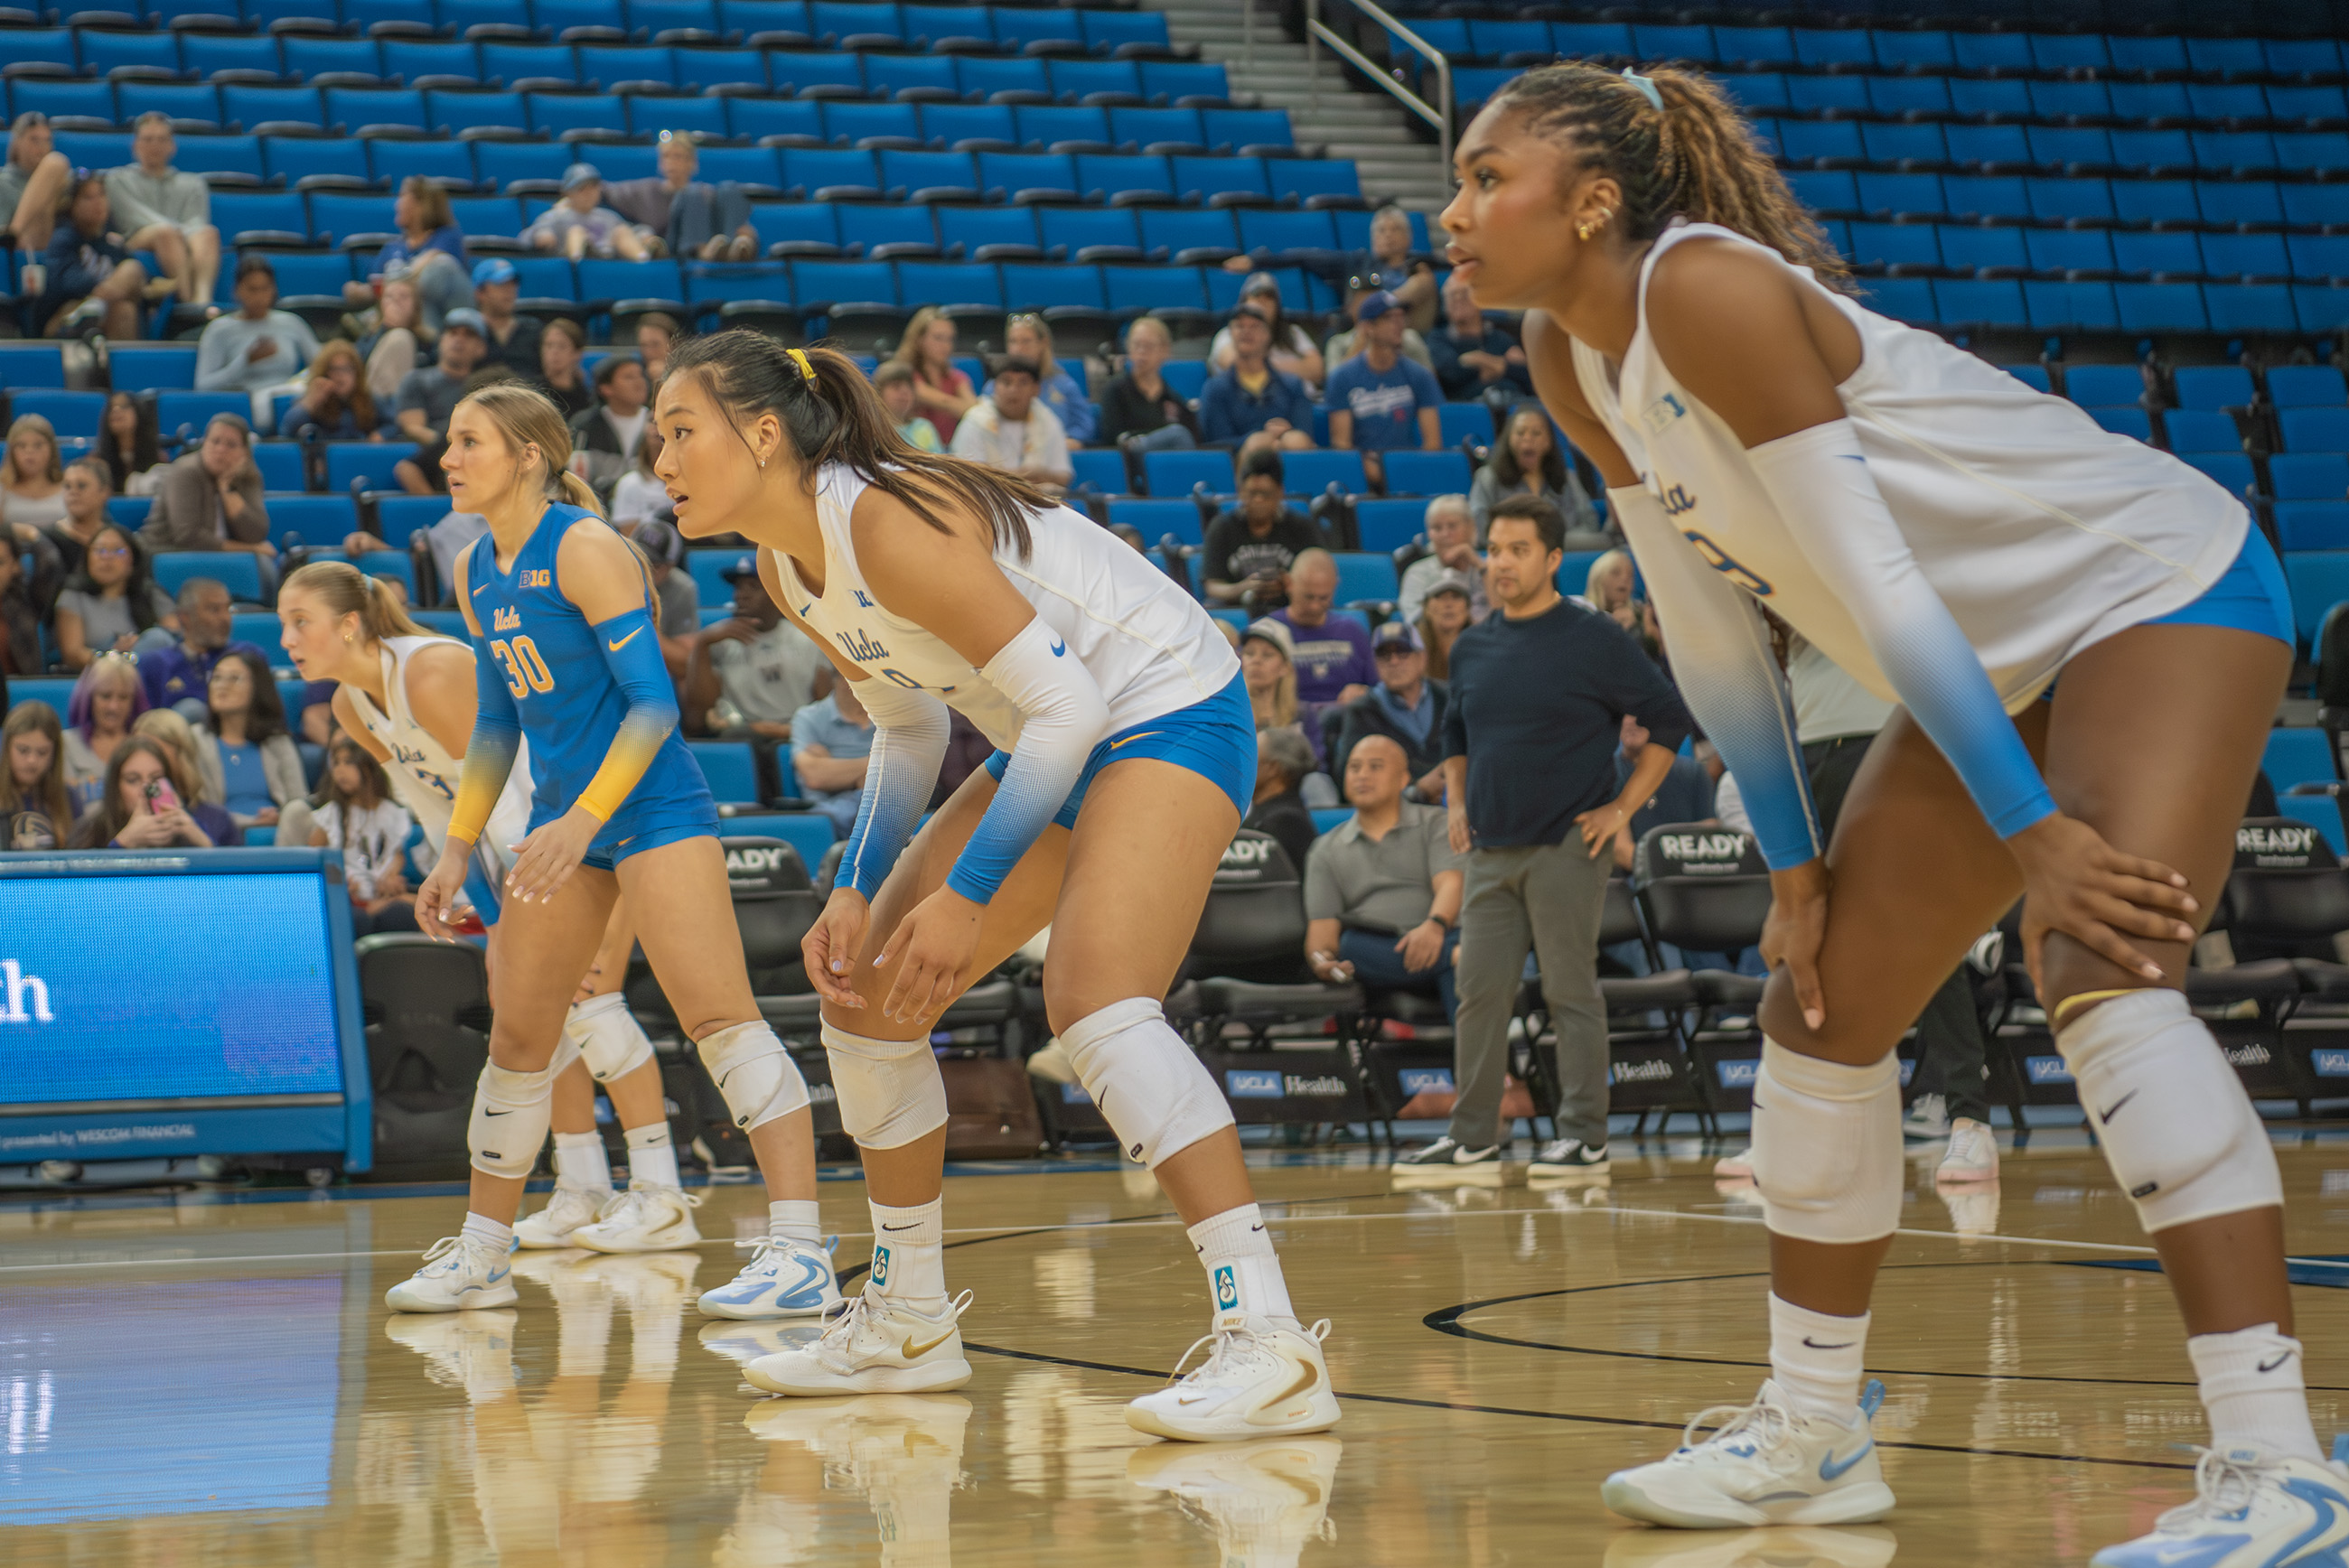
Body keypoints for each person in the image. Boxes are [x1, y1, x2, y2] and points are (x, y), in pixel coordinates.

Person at [1458, 62, 2335, 1553]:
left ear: (1593, 201)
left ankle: (2285, 1475)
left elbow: (1879, 587)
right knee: (1821, 1009)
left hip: (2152, 587)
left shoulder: (1710, 293)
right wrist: (1793, 869)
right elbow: (1711, 628)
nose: (1453, 212)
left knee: (2099, 973)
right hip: (1995, 654)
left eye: (1487, 179)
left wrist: (2036, 832)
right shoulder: (1569, 357)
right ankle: (1812, 1436)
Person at [652, 331, 1341, 1437]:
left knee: (1096, 1001)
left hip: (1167, 706)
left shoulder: (880, 517)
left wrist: (966, 893)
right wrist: (854, 881)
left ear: (764, 433)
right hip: (1053, 735)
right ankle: (908, 1319)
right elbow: (908, 722)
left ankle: (1271, 1340)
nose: (662, 461)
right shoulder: (788, 566)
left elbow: (1071, 709)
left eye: (681, 431)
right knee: (868, 999)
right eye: (657, 440)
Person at [383, 382, 838, 1323]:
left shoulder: (587, 548)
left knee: (720, 1019)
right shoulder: (475, 571)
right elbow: (497, 721)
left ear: (529, 455)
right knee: (518, 1036)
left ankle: (798, 1251)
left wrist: (583, 818)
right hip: (563, 826)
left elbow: (654, 705)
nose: (448, 457)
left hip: (650, 812)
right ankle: (480, 1256)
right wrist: (454, 847)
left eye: (468, 440)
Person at [1410, 490, 1692, 1177]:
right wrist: (1455, 796)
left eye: (1517, 550)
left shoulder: (1593, 637)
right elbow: (1456, 732)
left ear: (1554, 558)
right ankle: (1474, 1134)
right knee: (1479, 991)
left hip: (1569, 844)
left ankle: (1585, 1136)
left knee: (1570, 990)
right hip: (1489, 851)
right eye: (1494, 550)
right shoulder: (1472, 645)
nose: (1500, 563)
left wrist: (1622, 809)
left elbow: (1670, 718)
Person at [1306, 733, 1463, 1016]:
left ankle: (1475, 1058)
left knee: (1468, 944)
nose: (1362, 775)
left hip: (1442, 933)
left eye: (1375, 767)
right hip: (1381, 953)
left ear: (1404, 779)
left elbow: (1451, 883)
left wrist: (1434, 927)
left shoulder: (1435, 824)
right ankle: (1454, 958)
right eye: (1354, 768)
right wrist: (1323, 962)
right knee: (1351, 945)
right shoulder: (1325, 849)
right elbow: (1322, 935)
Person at [684, 555, 831, 801]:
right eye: (738, 588)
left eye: (753, 587)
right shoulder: (720, 644)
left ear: (776, 591)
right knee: (735, 741)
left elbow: (827, 712)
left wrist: (784, 729)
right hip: (744, 734)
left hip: (799, 733)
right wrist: (702, 644)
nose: (741, 595)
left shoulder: (808, 640)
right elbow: (696, 720)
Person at [140, 413, 276, 588]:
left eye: (231, 445)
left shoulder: (248, 477)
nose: (220, 450)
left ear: (244, 452)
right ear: (204, 443)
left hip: (219, 557)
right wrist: (250, 549)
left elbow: (256, 534)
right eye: (215, 441)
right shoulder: (185, 471)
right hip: (171, 554)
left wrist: (227, 489)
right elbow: (188, 537)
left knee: (266, 568)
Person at [1325, 292, 1444, 491]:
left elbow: (1433, 441)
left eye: (1400, 317)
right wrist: (1369, 470)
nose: (1398, 324)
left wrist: (1407, 470)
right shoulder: (1342, 377)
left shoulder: (1418, 375)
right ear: (1367, 328)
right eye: (1388, 318)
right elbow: (1341, 443)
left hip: (1408, 469)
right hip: (1362, 475)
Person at [105, 113, 220, 311]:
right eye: (148, 139)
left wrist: (179, 233)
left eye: (161, 139)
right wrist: (177, 231)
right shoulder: (117, 179)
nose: (154, 145)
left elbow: (196, 221)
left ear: (172, 146)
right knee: (165, 232)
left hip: (180, 236)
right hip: (134, 239)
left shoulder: (193, 183)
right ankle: (186, 304)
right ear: (135, 145)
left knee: (208, 233)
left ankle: (202, 302)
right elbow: (134, 218)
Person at [310, 734, 417, 934]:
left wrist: (392, 875)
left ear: (369, 767)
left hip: (383, 897)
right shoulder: (331, 814)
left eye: (348, 763)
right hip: (347, 898)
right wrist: (337, 882)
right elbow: (315, 861)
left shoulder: (393, 813)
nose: (340, 770)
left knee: (400, 914)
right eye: (336, 763)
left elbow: (396, 854)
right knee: (354, 919)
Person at [603, 128, 758, 264]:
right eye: (666, 157)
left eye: (678, 157)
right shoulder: (646, 190)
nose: (671, 163)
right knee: (692, 193)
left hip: (717, 241)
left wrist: (745, 230)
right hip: (674, 249)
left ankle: (737, 249)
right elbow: (606, 190)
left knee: (728, 187)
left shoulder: (707, 192)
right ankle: (703, 251)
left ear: (692, 162)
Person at [1330, 619, 1449, 793]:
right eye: (1384, 655)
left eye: (1402, 653)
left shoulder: (1449, 698)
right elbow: (1348, 778)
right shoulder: (1362, 711)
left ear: (1422, 658)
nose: (1393, 662)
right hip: (1395, 804)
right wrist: (1417, 791)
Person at [194, 255, 319, 422]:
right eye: (252, 289)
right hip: (247, 406)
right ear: (237, 290)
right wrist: (245, 362)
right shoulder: (219, 330)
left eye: (265, 289)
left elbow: (321, 362)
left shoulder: (291, 322)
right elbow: (203, 386)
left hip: (291, 399)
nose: (260, 296)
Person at [1201, 449, 1324, 609]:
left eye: (1265, 494)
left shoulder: (1301, 527)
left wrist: (1288, 583)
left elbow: (1319, 576)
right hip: (1239, 609)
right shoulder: (1222, 527)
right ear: (1241, 492)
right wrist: (1243, 587)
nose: (1258, 500)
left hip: (1289, 609)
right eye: (1252, 493)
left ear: (1280, 492)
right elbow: (1212, 586)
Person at [195, 648, 304, 828]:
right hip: (222, 838)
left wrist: (279, 818)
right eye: (217, 677)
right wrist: (252, 822)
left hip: (279, 834)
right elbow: (201, 812)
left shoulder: (277, 742)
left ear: (257, 687)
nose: (222, 685)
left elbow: (299, 804)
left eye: (234, 678)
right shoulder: (196, 740)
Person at [345, 177, 470, 332]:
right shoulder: (392, 247)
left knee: (425, 283)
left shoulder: (447, 236)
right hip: (394, 320)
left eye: (402, 196)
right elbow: (377, 287)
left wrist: (396, 282)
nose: (397, 204)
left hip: (439, 317)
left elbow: (435, 268)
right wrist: (357, 291)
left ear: (420, 204)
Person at [69, 733, 232, 848]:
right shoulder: (88, 831)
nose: (146, 790)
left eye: (155, 779)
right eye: (133, 780)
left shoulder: (191, 829)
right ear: (115, 787)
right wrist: (123, 843)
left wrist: (199, 838)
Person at [38, 174, 147, 340]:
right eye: (88, 197)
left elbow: (141, 285)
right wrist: (103, 288)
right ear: (72, 204)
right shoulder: (63, 239)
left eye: (102, 195)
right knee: (130, 272)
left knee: (125, 307)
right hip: (64, 318)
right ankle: (93, 307)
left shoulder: (114, 245)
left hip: (106, 316)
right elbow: (64, 282)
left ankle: (95, 307)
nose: (98, 202)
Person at [55, 522, 175, 671]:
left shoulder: (150, 592)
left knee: (157, 639)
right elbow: (73, 654)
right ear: (87, 557)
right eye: (99, 550)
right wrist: (113, 657)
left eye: (118, 551)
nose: (107, 557)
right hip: (99, 675)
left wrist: (139, 644)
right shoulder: (73, 596)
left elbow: (173, 637)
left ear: (133, 560)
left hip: (149, 673)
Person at [1198, 304, 1316, 456]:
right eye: (1239, 326)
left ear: (1268, 335)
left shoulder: (1292, 385)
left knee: (1296, 441)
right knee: (1258, 444)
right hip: (1239, 464)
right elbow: (1217, 443)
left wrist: (1283, 434)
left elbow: (1305, 433)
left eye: (1254, 326)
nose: (1246, 331)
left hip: (1286, 455)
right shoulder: (1215, 389)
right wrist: (1263, 436)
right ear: (1230, 335)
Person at [1472, 402, 1600, 539]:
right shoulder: (1488, 477)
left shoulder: (1567, 478)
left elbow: (1590, 523)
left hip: (1564, 554)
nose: (1528, 438)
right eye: (1520, 433)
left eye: (1536, 433)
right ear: (1508, 439)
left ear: (1548, 442)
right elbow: (1479, 525)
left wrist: (1554, 545)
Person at [140, 575, 266, 715]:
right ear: (185, 617)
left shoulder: (247, 656)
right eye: (214, 610)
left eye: (228, 609)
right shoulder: (155, 665)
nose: (225, 618)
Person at [1270, 549, 1375, 715]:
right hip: (1289, 722)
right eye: (1308, 597)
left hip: (1345, 720)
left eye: (1324, 598)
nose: (1315, 606)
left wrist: (1364, 692)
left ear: (1335, 586)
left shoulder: (1352, 631)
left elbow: (1379, 688)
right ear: (1288, 583)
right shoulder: (1268, 631)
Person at [948, 358, 1072, 495]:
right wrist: (1021, 476)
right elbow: (967, 476)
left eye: (1022, 383)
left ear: (1036, 389)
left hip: (1038, 502)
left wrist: (1042, 474)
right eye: (1006, 382)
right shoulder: (975, 421)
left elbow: (1064, 477)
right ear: (994, 387)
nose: (1013, 389)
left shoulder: (1048, 421)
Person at [394, 307, 489, 482]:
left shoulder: (485, 387)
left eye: (468, 335)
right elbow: (414, 429)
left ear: (481, 348)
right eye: (452, 333)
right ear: (441, 340)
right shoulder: (416, 379)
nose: (459, 340)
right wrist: (455, 445)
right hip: (431, 462)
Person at [61, 651, 147, 814]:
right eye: (105, 696)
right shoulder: (65, 745)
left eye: (123, 697)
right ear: (88, 698)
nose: (113, 707)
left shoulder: (144, 747)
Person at [1207, 272, 1324, 391]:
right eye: (1257, 297)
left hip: (1299, 401)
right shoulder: (1229, 334)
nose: (1262, 304)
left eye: (1268, 299)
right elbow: (1235, 364)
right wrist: (1296, 368)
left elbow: (1316, 369)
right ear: (1244, 302)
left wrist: (1262, 366)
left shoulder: (1292, 333)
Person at [1098, 315, 1198, 452]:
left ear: (1165, 351)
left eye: (1148, 346)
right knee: (1177, 434)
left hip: (1165, 463)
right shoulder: (1115, 391)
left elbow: (1194, 437)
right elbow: (1112, 437)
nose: (1141, 352)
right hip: (1130, 459)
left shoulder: (1173, 399)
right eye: (1136, 345)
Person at [791, 675, 875, 837]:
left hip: (891, 799)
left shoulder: (894, 715)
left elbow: (911, 769)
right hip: (832, 809)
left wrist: (831, 764)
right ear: (841, 677)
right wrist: (881, 768)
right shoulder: (809, 716)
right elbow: (815, 776)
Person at [994, 314, 1095, 446]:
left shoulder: (1064, 385)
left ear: (1043, 343)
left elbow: (1085, 425)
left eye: (1026, 341)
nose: (1018, 348)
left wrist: (1070, 441)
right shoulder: (996, 386)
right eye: (1013, 341)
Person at [1429, 272, 1530, 401]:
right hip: (1466, 410)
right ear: (1445, 305)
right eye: (1452, 295)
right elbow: (1453, 373)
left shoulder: (1499, 337)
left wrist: (1477, 360)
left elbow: (1526, 373)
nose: (1458, 299)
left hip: (1511, 402)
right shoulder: (1438, 339)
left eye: (1464, 294)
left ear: (1479, 300)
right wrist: (1499, 365)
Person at [523, 163, 652, 263]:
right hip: (573, 264)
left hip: (608, 259)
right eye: (582, 189)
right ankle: (580, 259)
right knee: (577, 232)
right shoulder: (556, 216)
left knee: (621, 230)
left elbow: (633, 230)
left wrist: (644, 236)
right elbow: (526, 237)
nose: (589, 194)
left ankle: (644, 259)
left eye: (593, 188)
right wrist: (541, 235)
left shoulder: (608, 216)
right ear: (568, 193)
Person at [0, 112, 72, 285]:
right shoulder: (3, 182)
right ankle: (15, 232)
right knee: (56, 162)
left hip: (60, 253)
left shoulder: (62, 183)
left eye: (46, 140)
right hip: (23, 251)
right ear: (17, 142)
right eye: (34, 140)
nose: (41, 147)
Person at [890, 306, 977, 447]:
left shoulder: (958, 377)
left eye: (950, 339)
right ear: (918, 340)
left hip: (949, 454)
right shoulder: (905, 377)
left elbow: (974, 413)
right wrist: (963, 406)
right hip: (912, 450)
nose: (946, 346)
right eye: (938, 338)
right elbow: (945, 402)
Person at [570, 351, 651, 500]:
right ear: (606, 388)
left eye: (641, 375)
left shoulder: (656, 422)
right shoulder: (584, 426)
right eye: (629, 377)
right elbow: (575, 478)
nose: (639, 382)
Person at [1398, 494, 1490, 625]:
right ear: (1429, 534)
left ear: (1470, 527)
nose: (1445, 534)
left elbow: (1503, 613)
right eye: (1437, 528)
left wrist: (1477, 563)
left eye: (1452, 526)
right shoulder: (1417, 573)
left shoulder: (1488, 569)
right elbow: (1414, 621)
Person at [1243, 724, 1319, 876]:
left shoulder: (1286, 823)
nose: (1243, 763)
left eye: (1250, 755)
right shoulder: (1262, 813)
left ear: (1273, 768)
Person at [1350, 204, 1437, 332]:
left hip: (1407, 331)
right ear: (1373, 239)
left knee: (1425, 280)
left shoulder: (1419, 267)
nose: (1388, 235)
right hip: (1367, 331)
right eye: (1381, 230)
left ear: (1408, 237)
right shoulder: (1361, 264)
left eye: (1395, 229)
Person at [1323, 275, 1434, 371]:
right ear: (1350, 308)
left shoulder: (1409, 338)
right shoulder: (1338, 344)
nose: (1371, 308)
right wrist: (1362, 342)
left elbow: (1430, 383)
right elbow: (1335, 387)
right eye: (1364, 303)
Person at [1, 700, 72, 850]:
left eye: (42, 752)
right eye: (23, 750)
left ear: (54, 754)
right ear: (7, 748)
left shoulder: (69, 798)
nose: (32, 760)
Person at [470, 258, 544, 378]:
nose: (510, 290)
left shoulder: (533, 330)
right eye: (501, 284)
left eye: (513, 283)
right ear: (480, 292)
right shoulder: (467, 331)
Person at [359, 275, 426, 405]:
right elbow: (358, 365)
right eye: (389, 297)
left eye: (404, 297)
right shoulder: (370, 336)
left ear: (416, 304)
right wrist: (385, 328)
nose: (396, 302)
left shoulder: (426, 342)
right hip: (372, 401)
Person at [0, 413, 65, 533]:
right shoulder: (2, 488)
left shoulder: (68, 486)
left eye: (38, 445)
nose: (29, 452)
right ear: (11, 452)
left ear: (51, 449)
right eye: (21, 446)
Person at [95, 390, 165, 498]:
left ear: (138, 413)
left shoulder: (159, 458)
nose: (116, 411)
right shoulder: (96, 462)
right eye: (111, 407)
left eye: (124, 406)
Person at [1240, 616, 1300, 736]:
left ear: (1285, 668)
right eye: (1249, 653)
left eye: (1267, 655)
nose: (1256, 661)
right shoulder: (1231, 713)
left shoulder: (1301, 715)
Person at [608, 422, 672, 532]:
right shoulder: (630, 483)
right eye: (657, 437)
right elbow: (627, 532)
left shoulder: (692, 482)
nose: (662, 445)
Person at [872, 360, 943, 453]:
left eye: (909, 387)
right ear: (879, 393)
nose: (905, 392)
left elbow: (938, 463)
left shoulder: (924, 427)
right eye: (896, 386)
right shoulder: (872, 430)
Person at [1416, 567, 1474, 680]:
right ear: (1426, 609)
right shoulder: (1412, 653)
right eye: (1439, 596)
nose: (1448, 604)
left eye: (1456, 596)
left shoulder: (1484, 650)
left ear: (1467, 609)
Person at [536, 318, 594, 420]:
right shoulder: (532, 393)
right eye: (549, 345)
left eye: (561, 346)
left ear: (577, 353)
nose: (554, 352)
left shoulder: (587, 399)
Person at [635, 312, 678, 386]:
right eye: (644, 345)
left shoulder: (688, 373)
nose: (648, 352)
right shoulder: (636, 376)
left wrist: (667, 376)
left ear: (672, 344)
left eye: (655, 344)